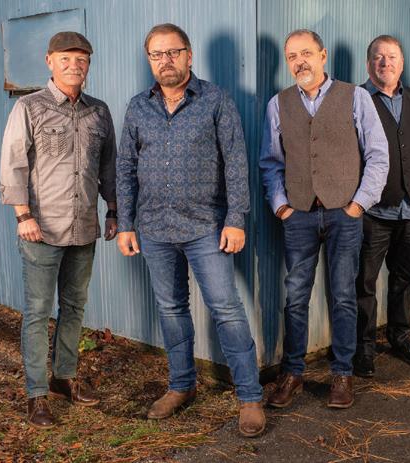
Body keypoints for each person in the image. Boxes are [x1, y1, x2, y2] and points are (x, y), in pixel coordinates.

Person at [115, 23, 265, 437]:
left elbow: (236, 163)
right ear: (150, 60)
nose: (166, 61)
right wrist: (125, 225)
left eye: (173, 52)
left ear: (189, 55)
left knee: (226, 309)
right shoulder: (137, 107)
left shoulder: (216, 100)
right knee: (171, 309)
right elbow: (125, 168)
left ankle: (250, 397)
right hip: (155, 228)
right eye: (157, 54)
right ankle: (182, 385)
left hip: (206, 227)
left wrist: (236, 219)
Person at [260, 29, 388, 409]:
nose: (299, 62)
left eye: (306, 53)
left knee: (344, 296)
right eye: (292, 56)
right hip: (298, 215)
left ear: (323, 55)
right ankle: (292, 373)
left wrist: (358, 205)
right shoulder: (278, 104)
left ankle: (342, 374)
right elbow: (270, 162)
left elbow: (378, 155)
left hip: (343, 214)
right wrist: (281, 207)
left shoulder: (355, 97)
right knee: (295, 297)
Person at [0, 31, 118, 428]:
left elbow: (109, 167)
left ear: (88, 65)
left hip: (83, 227)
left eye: (81, 59)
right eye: (65, 58)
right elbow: (13, 163)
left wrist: (114, 210)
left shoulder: (98, 112)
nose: (73, 65)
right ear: (49, 61)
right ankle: (36, 394)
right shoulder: (29, 107)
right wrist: (23, 216)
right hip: (41, 230)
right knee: (37, 312)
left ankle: (64, 377)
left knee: (75, 306)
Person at [353, 35, 410, 378]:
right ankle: (363, 347)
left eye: (392, 57)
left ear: (402, 63)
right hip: (372, 213)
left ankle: (400, 336)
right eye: (378, 57)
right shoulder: (356, 99)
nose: (386, 63)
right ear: (369, 64)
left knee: (405, 277)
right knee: (364, 283)